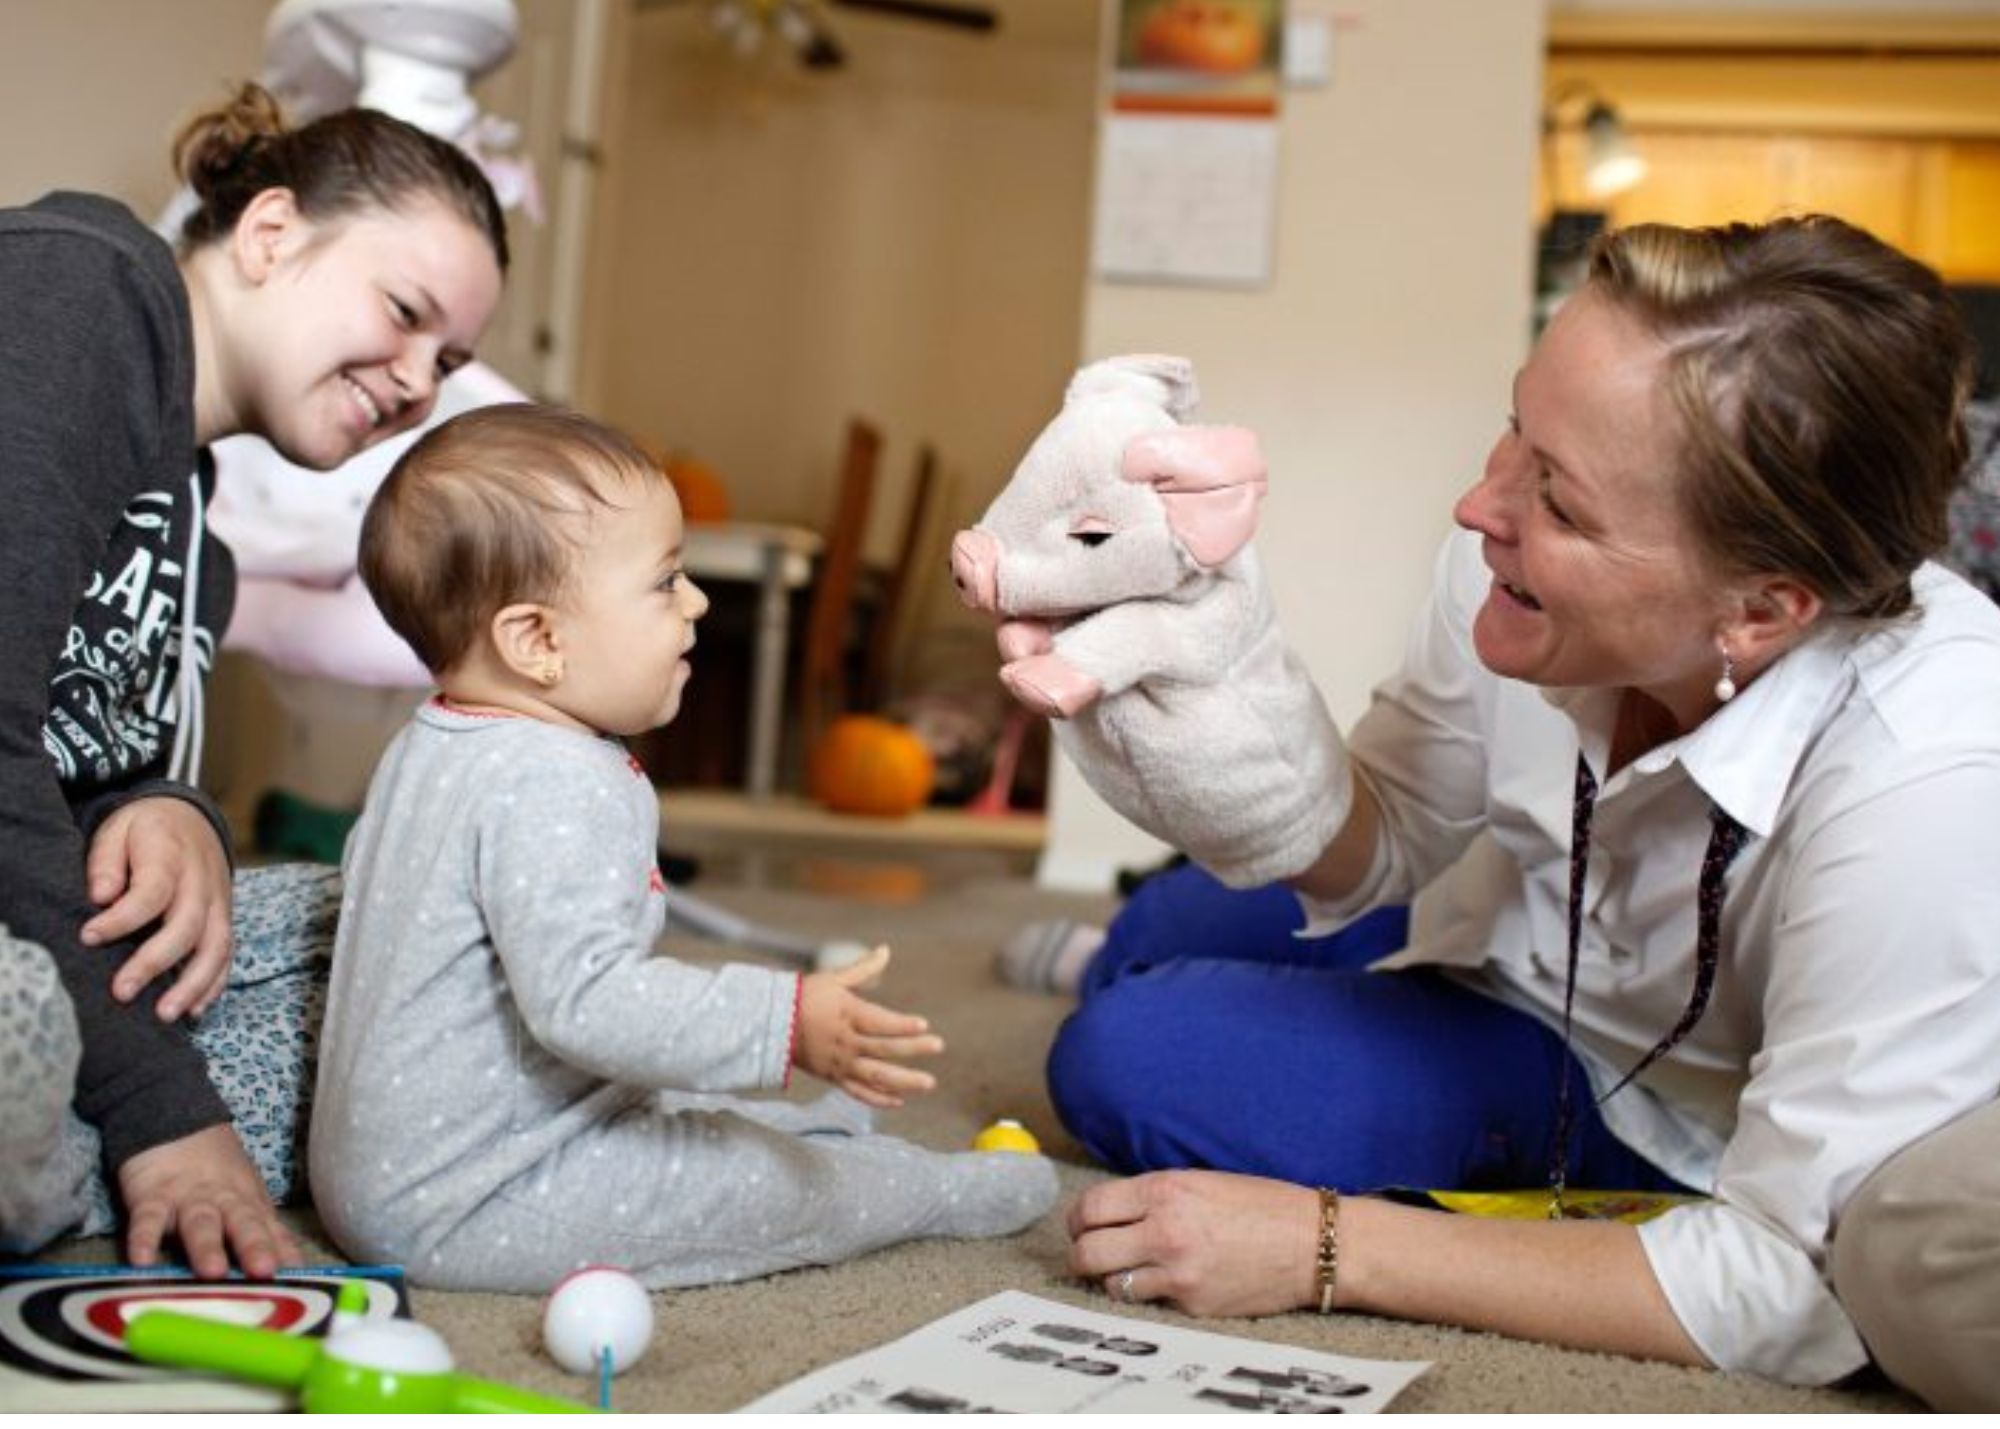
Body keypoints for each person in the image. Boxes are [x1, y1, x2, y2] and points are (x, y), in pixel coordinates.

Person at [1006, 216, 2000, 1389]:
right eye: (1516, 428)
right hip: (1502, 915)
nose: (1477, 509)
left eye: (1560, 504)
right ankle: (1128, 948)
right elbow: (1389, 838)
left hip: (1647, 1092)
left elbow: (1779, 1280)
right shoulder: (1509, 563)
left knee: (1126, 1056)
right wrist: (1224, 727)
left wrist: (1325, 1249)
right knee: (1165, 924)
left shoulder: (1933, 778)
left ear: (1759, 612)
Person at [311, 403, 1055, 1290]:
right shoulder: (552, 778)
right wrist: (779, 1022)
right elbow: (588, 1003)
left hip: (398, 1167)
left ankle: (802, 1133)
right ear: (538, 641)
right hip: (480, 1194)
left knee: (682, 1107)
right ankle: (927, 1191)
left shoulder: (431, 741)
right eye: (665, 582)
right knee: (768, 1194)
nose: (696, 601)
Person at [0, 81, 508, 1276]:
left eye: (450, 358)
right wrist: (164, 1112)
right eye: (403, 311)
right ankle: (86, 1134)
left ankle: (57, 1147)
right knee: (39, 1026)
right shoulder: (76, 299)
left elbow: (86, 770)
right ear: (271, 233)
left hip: (27, 930)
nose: (417, 381)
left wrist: (171, 813)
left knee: (410, 928)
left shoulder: (194, 535)